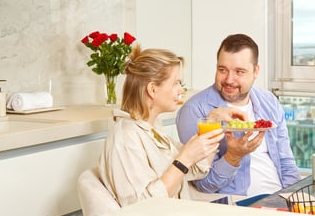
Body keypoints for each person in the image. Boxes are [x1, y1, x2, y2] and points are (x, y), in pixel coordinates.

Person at [99, 44, 227, 207]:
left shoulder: (152, 128)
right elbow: (142, 207)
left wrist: (213, 122)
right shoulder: (126, 137)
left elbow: (195, 170)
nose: (181, 90)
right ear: (152, 89)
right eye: (175, 83)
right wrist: (185, 158)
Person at [176, 33, 301, 196]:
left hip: (278, 199)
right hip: (236, 206)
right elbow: (204, 184)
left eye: (239, 72)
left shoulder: (268, 101)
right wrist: (233, 156)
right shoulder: (195, 111)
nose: (229, 79)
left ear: (256, 71)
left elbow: (286, 163)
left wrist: (293, 198)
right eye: (222, 70)